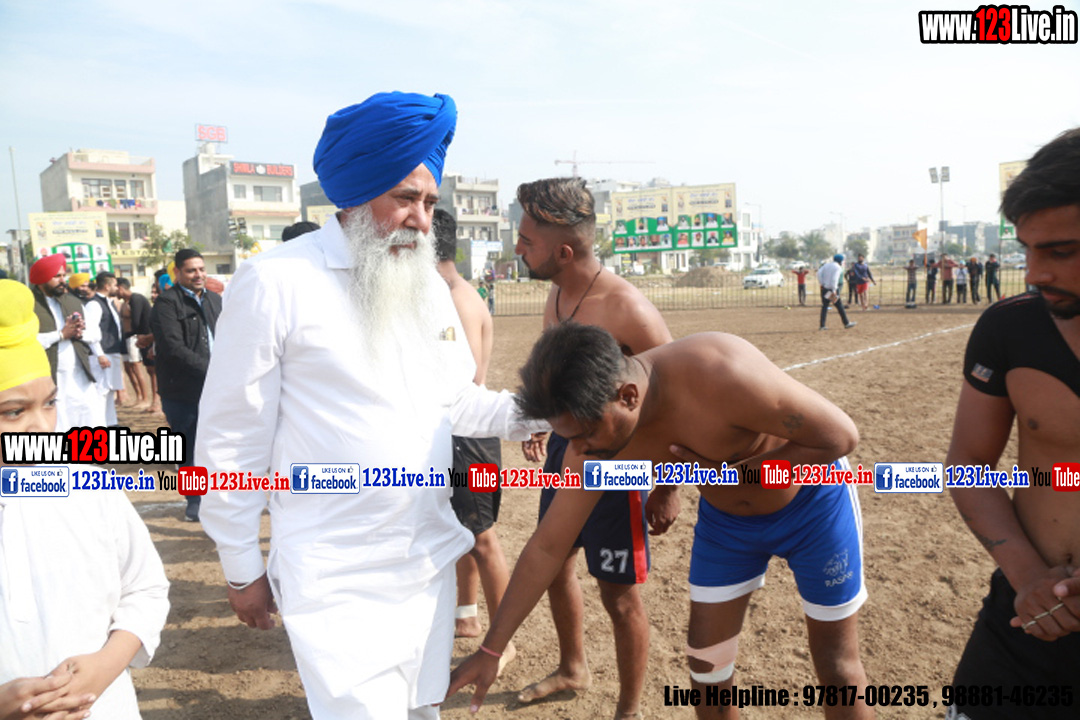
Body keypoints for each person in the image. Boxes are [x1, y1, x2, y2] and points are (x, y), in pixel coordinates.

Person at [195, 92, 545, 720]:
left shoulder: (426, 286)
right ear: (355, 195)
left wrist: (552, 408)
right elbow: (231, 437)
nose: (421, 220)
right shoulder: (275, 282)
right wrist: (241, 565)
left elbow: (458, 402)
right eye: (406, 199)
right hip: (335, 574)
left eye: (429, 203)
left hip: (426, 560)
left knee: (421, 712)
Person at [449, 322, 871, 719]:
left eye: (585, 435)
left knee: (836, 668)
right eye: (568, 437)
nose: (578, 450)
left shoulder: (721, 370)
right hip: (728, 524)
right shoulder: (591, 443)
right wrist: (491, 649)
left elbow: (839, 435)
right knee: (707, 670)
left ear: (628, 396)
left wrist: (734, 475)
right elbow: (547, 546)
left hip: (812, 507)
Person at [513, 177, 672, 720]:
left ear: (563, 251)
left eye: (527, 240)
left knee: (618, 594)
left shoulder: (628, 309)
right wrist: (544, 420)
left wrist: (667, 487)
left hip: (617, 465)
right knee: (554, 565)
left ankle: (628, 710)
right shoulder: (557, 294)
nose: (518, 248)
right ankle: (572, 667)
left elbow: (671, 399)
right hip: (566, 454)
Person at [945, 127, 1080, 720]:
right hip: (1026, 617)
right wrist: (1027, 579)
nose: (1034, 273)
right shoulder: (1009, 329)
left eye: (1060, 251)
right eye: (1027, 249)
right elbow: (968, 466)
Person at [0, 279, 170, 720]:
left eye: (49, 404)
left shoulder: (87, 484)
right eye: (14, 412)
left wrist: (104, 667)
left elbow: (146, 587)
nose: (42, 428)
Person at [432, 209, 516, 669]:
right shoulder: (466, 293)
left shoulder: (452, 300)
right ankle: (467, 613)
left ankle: (503, 642)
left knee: (483, 539)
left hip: (467, 435)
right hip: (470, 433)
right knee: (466, 530)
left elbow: (464, 382)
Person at [150, 248, 222, 522]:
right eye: (191, 270)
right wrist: (212, 370)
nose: (198, 275)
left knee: (217, 444)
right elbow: (173, 348)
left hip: (216, 387)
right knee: (189, 446)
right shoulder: (166, 304)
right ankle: (194, 501)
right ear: (178, 273)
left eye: (201, 269)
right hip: (182, 389)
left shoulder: (214, 300)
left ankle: (216, 497)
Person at [28, 253, 97, 432]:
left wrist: (79, 333)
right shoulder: (29, 306)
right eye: (56, 276)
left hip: (80, 375)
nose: (62, 280)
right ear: (42, 278)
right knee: (59, 426)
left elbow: (96, 334)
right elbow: (27, 341)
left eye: (63, 275)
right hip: (52, 378)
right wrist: (60, 335)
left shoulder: (73, 302)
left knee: (87, 424)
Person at [88, 272, 127, 424]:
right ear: (106, 286)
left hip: (112, 352)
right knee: (100, 392)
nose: (117, 288)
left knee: (110, 391)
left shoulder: (108, 302)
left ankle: (110, 423)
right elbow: (91, 331)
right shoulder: (94, 304)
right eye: (115, 285)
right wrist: (99, 354)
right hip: (102, 354)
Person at [116, 277, 152, 410]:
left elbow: (136, 321)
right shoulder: (125, 302)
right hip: (127, 337)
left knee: (136, 367)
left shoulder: (136, 299)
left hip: (135, 337)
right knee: (128, 368)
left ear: (120, 288)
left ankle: (145, 398)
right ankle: (138, 396)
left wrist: (137, 337)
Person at [817, 254, 856, 331]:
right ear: (840, 261)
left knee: (825, 306)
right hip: (831, 290)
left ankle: (822, 325)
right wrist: (834, 289)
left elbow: (818, 274)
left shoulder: (826, 265)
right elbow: (834, 279)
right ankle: (846, 323)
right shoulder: (838, 267)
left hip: (824, 289)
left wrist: (822, 283)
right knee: (839, 305)